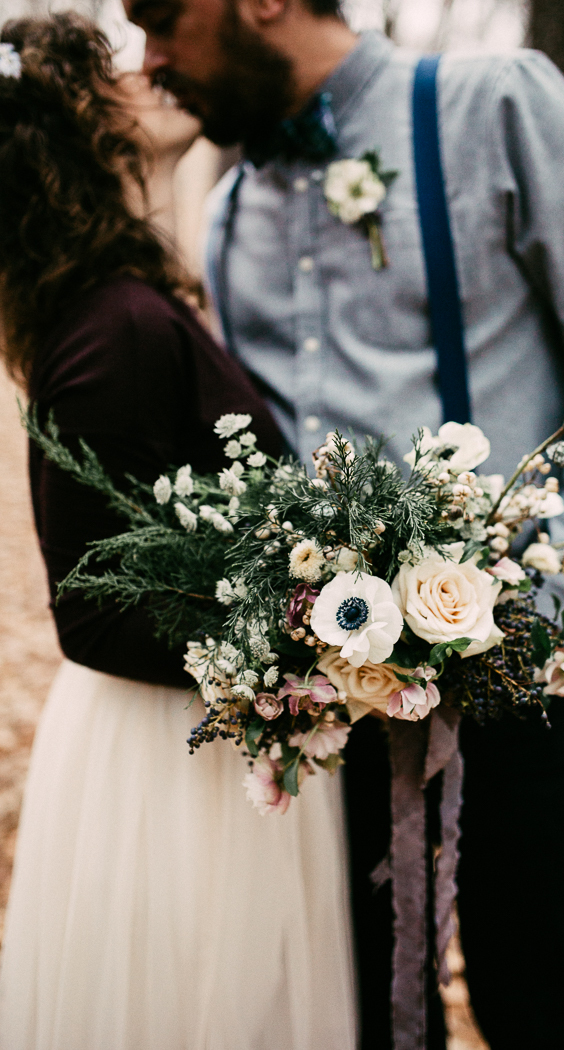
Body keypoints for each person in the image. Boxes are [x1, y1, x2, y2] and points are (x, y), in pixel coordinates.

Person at [122, 1, 564, 1048]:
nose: (149, 58)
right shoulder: (231, 206)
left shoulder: (499, 106)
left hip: (518, 675)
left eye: (160, 17)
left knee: (535, 1002)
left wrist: (544, 596)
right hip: (331, 712)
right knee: (369, 1015)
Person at [0, 14, 356, 1050]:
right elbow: (92, 612)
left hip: (203, 735)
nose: (143, 66)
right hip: (171, 758)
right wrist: (312, 638)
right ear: (69, 135)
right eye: (102, 71)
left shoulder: (130, 304)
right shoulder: (111, 328)